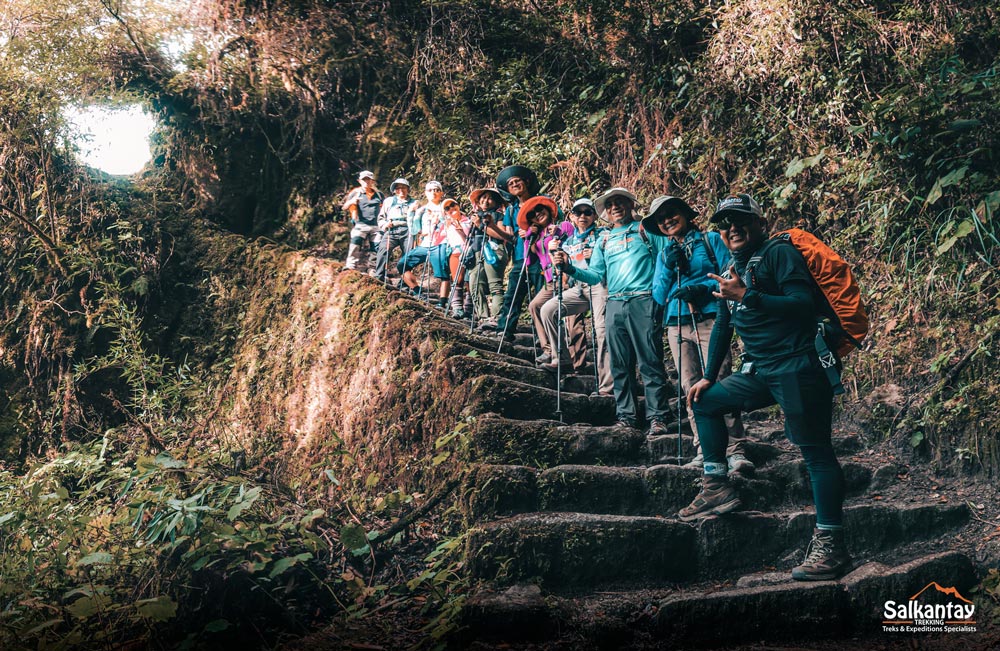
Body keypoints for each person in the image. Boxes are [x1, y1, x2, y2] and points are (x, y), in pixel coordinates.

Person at [679, 193, 852, 581]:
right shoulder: (731, 266)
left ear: (760, 223)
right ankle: (716, 485)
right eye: (724, 223)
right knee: (706, 402)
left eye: (741, 220)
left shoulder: (779, 253)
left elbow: (801, 305)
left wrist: (748, 295)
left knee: (816, 454)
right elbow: (724, 323)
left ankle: (832, 546)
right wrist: (709, 374)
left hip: (798, 367)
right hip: (759, 371)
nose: (732, 228)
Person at [644, 196, 753, 475]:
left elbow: (731, 270)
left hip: (711, 318)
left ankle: (734, 449)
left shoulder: (711, 240)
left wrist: (703, 288)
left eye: (672, 213)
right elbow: (658, 293)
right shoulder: (663, 254)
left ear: (685, 214)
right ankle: (704, 448)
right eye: (661, 218)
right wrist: (669, 266)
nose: (668, 220)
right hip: (676, 324)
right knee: (690, 386)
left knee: (720, 381)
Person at [551, 188, 671, 434]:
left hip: (644, 300)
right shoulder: (604, 239)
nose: (615, 207)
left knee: (650, 360)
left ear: (630, 205)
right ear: (605, 211)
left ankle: (658, 416)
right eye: (611, 204)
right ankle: (626, 415)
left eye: (620, 202)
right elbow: (595, 275)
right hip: (615, 302)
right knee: (619, 363)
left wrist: (660, 297)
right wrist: (569, 267)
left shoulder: (646, 231)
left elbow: (666, 259)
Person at [536, 199, 613, 395]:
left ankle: (607, 387)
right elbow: (562, 268)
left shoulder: (603, 235)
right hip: (578, 287)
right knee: (547, 309)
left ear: (594, 216)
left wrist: (596, 254)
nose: (582, 217)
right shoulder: (568, 242)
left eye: (587, 212)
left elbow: (613, 257)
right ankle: (561, 357)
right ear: (571, 217)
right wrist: (555, 254)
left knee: (602, 331)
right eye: (578, 213)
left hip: (600, 285)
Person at [480, 165, 544, 340]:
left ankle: (543, 335)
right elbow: (509, 236)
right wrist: (492, 226)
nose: (515, 184)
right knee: (513, 295)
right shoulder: (510, 210)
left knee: (541, 296)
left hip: (541, 257)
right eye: (511, 183)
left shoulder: (541, 203)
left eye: (518, 181)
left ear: (526, 182)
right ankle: (506, 329)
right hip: (519, 256)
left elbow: (554, 221)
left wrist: (536, 229)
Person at [524, 198, 575, 366]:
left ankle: (573, 359)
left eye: (540, 210)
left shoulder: (564, 225)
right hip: (549, 281)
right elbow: (528, 261)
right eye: (532, 214)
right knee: (535, 306)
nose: (537, 214)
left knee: (570, 321)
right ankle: (548, 349)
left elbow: (573, 239)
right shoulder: (537, 237)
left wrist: (558, 232)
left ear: (548, 210)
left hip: (565, 277)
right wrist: (529, 236)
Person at [467, 187, 512, 321]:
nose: (486, 200)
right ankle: (483, 317)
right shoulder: (475, 215)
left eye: (490, 198)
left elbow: (500, 235)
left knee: (495, 284)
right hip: (476, 252)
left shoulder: (499, 216)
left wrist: (481, 225)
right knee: (475, 285)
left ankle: (497, 318)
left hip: (493, 250)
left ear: (497, 202)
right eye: (484, 197)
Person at [398, 181, 447, 297]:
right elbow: (414, 230)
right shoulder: (422, 210)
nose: (433, 192)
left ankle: (443, 301)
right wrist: (411, 214)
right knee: (402, 265)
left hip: (440, 244)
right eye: (430, 190)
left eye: (436, 190)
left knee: (443, 273)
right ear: (425, 193)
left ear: (441, 193)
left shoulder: (446, 207)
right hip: (424, 245)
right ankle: (417, 290)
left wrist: (439, 219)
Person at [374, 177, 416, 281]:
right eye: (398, 188)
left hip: (408, 231)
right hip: (391, 230)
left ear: (408, 189)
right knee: (383, 250)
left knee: (409, 255)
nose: (401, 190)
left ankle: (405, 283)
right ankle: (379, 277)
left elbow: (419, 219)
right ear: (394, 190)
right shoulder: (388, 201)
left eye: (403, 187)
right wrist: (384, 224)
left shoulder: (414, 203)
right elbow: (381, 218)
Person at [343, 170, 384, 273]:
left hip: (376, 225)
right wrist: (352, 202)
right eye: (364, 179)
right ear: (359, 181)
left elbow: (385, 208)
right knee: (355, 242)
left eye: (368, 179)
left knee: (376, 247)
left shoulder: (379, 195)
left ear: (372, 181)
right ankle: (351, 265)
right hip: (360, 224)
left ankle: (373, 268)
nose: (366, 182)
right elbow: (344, 207)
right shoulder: (355, 193)